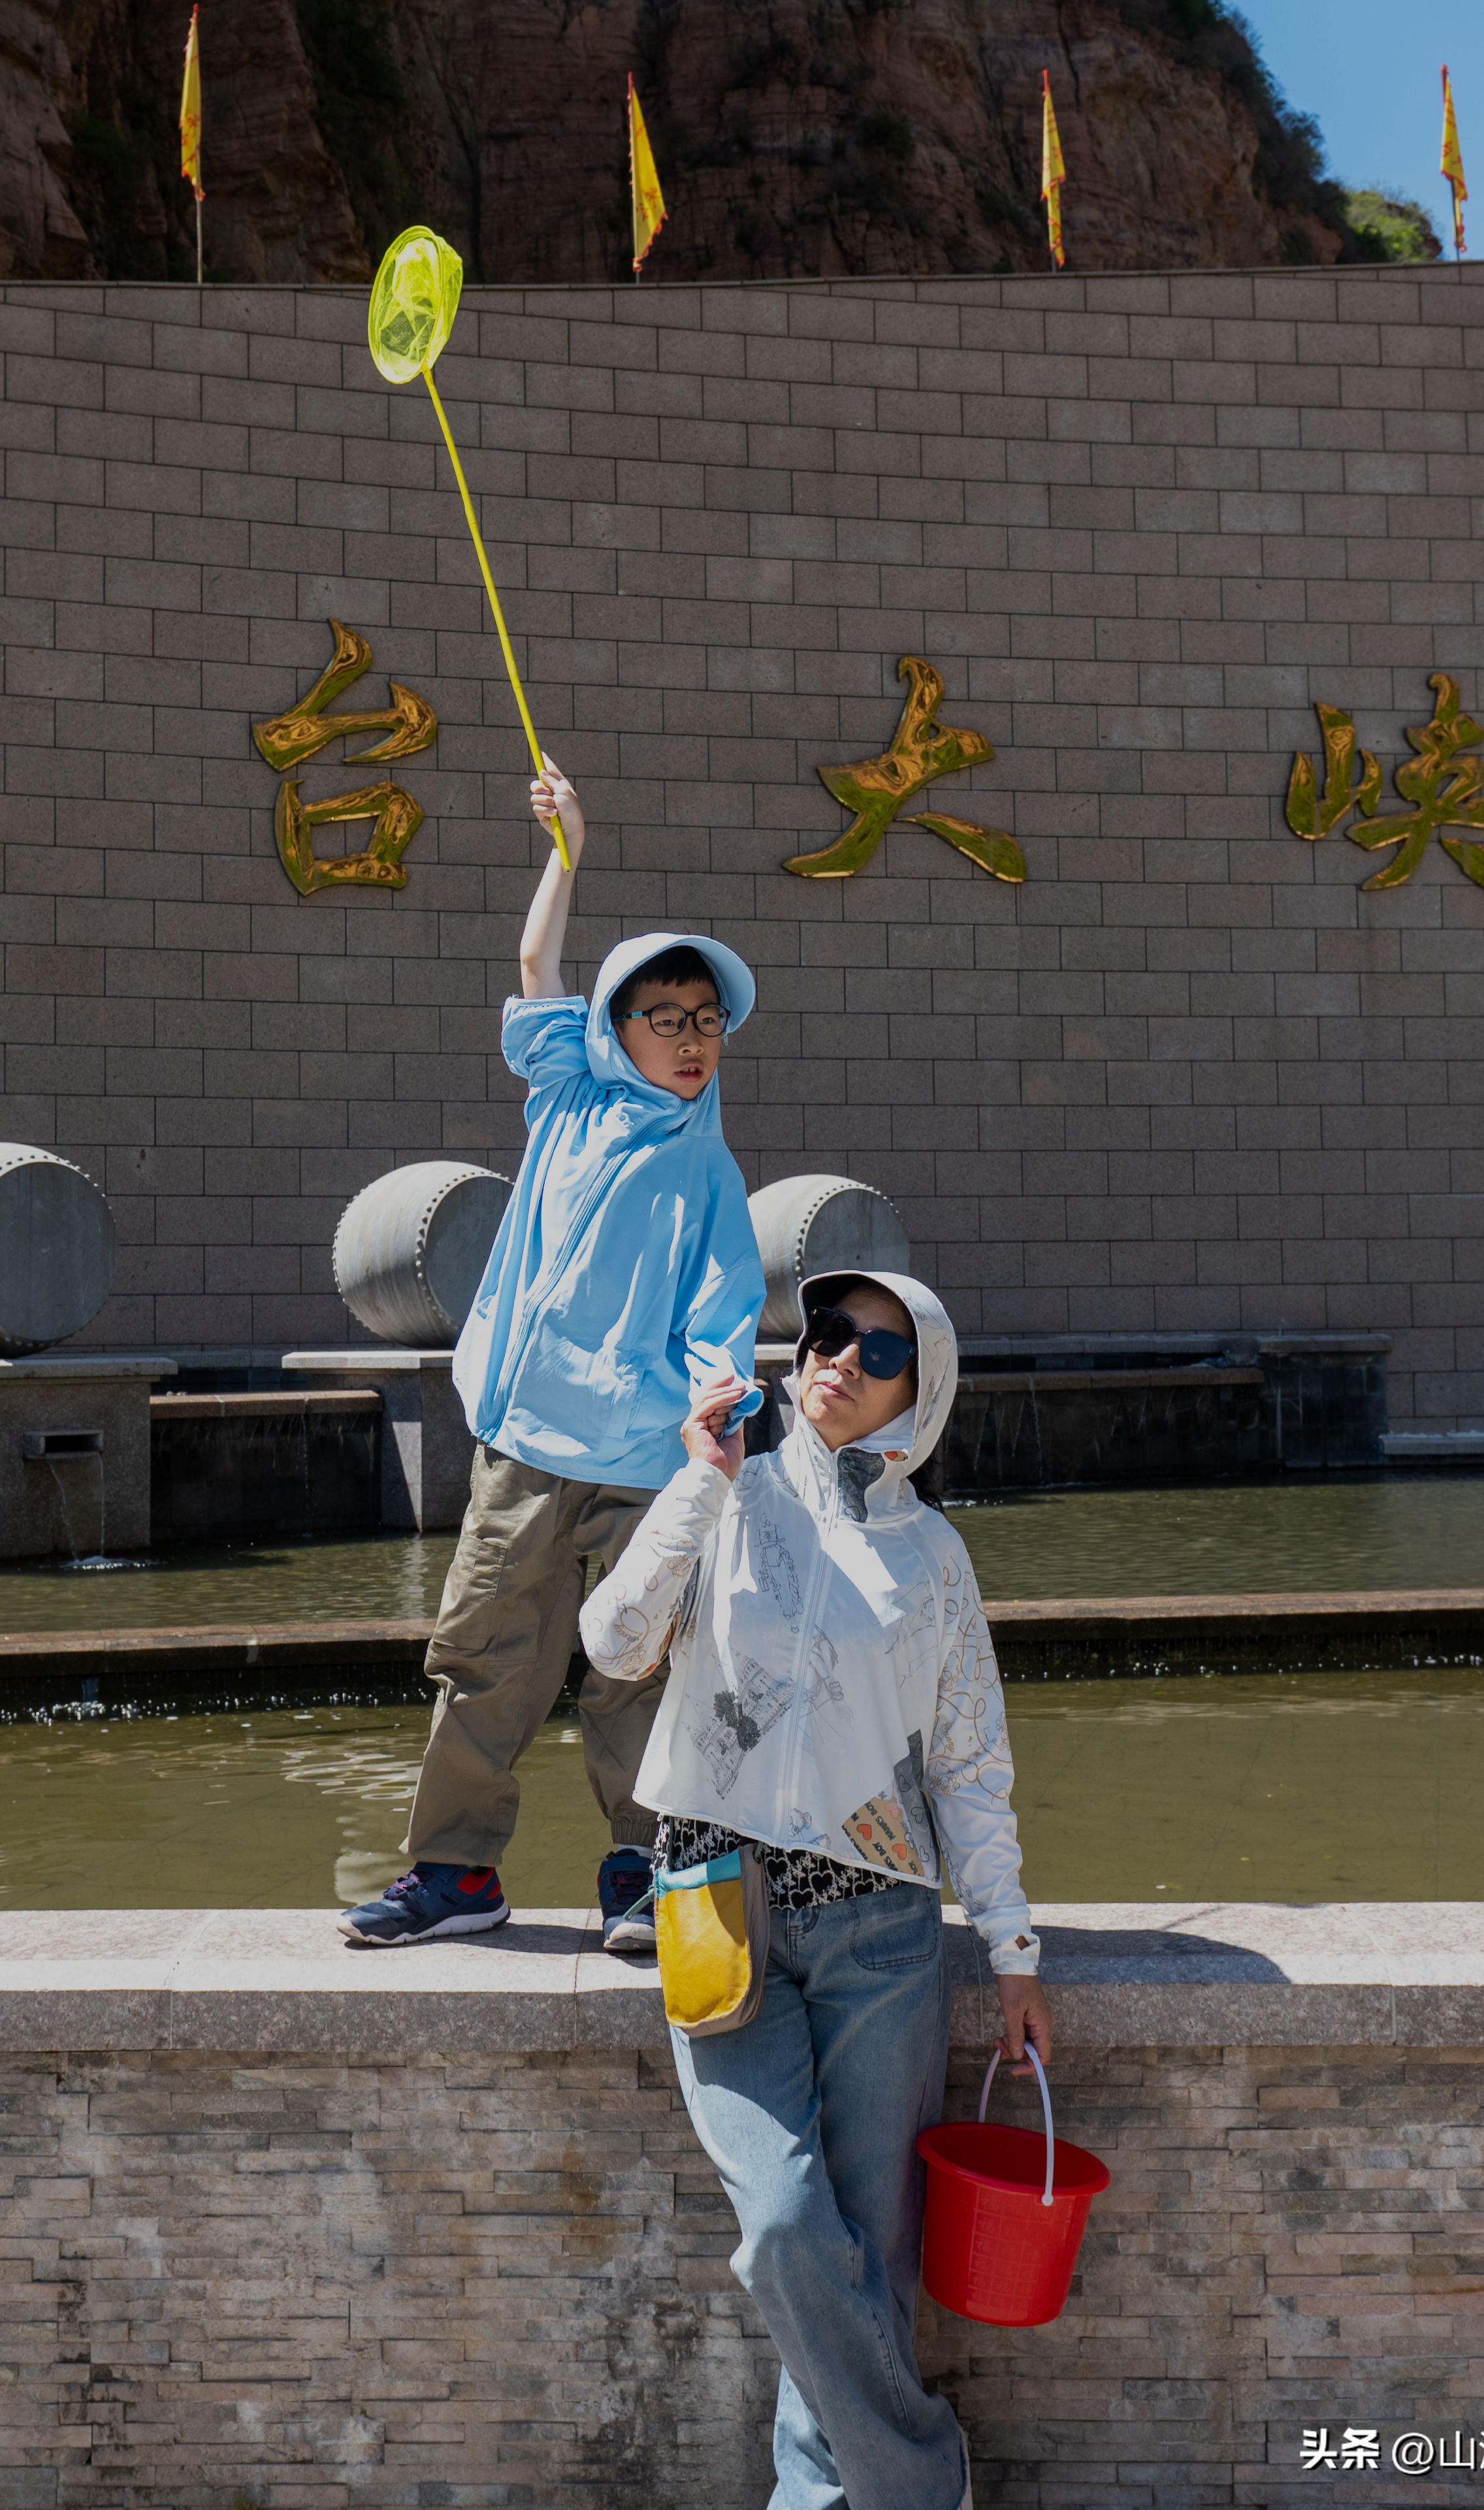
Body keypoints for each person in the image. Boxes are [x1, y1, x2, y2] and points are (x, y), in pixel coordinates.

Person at [579, 1268, 1052, 2510]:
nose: (840, 1356)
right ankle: (922, 2478)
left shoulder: (934, 1559)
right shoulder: (725, 1491)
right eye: (828, 1331)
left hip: (883, 1928)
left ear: (919, 1393)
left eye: (879, 1350)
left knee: (872, 2256)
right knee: (790, 2230)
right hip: (718, 1907)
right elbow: (615, 1643)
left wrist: (1012, 1951)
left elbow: (967, 1765)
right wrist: (700, 1479)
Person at [340, 756, 766, 1952]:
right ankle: (456, 1878)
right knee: (487, 1660)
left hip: (641, 1459)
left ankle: (641, 1873)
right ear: (615, 1030)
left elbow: (719, 1316)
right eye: (665, 1019)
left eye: (706, 1023)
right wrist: (564, 852)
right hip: (526, 1444)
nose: (689, 1041)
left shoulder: (710, 1170)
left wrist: (719, 1394)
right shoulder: (571, 1097)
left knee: (639, 1671)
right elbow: (538, 970)